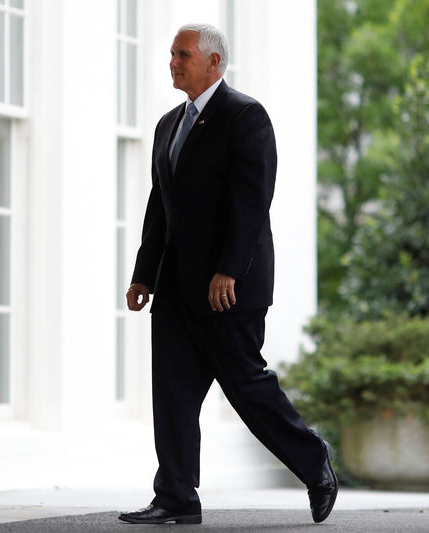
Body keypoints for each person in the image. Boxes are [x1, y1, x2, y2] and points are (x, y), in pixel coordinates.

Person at [119, 23, 337, 525]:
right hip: (175, 288)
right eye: (172, 54)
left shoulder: (246, 116)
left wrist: (228, 271)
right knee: (171, 393)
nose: (173, 62)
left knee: (246, 387)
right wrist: (143, 275)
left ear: (215, 62)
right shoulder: (167, 125)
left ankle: (314, 462)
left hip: (229, 289)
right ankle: (176, 497)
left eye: (184, 54)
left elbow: (252, 201)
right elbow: (161, 208)